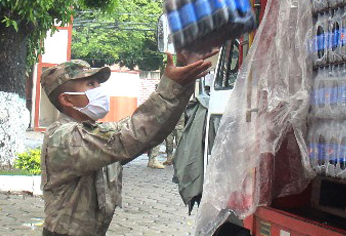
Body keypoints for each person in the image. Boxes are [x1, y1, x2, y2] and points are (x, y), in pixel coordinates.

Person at [40, 54, 215, 236]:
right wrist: (171, 85)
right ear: (67, 100)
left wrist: (182, 83)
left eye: (97, 84)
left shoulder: (93, 131)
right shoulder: (63, 138)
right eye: (90, 85)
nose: (98, 89)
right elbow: (130, 135)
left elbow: (149, 135)